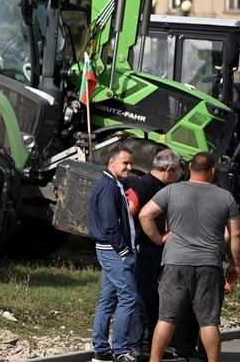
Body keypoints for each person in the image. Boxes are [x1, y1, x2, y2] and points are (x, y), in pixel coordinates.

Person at [139, 151, 240, 362]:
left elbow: (144, 214)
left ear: (190, 169)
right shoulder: (225, 197)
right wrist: (235, 264)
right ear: (213, 171)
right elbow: (236, 233)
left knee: (166, 318)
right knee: (209, 321)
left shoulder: (171, 191)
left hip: (175, 262)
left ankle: (154, 360)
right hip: (209, 264)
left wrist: (159, 239)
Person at [125, 149, 182, 357]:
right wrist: (157, 237)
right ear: (169, 169)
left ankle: (150, 345)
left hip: (156, 250)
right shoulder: (146, 184)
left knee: (156, 298)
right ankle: (136, 344)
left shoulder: (160, 186)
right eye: (177, 172)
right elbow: (131, 209)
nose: (177, 176)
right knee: (142, 297)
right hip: (145, 249)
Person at [89, 146, 141, 362]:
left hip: (110, 250)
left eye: (130, 163)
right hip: (113, 251)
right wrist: (124, 252)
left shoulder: (113, 184)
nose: (129, 167)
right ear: (112, 163)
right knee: (128, 297)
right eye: (125, 163)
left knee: (108, 299)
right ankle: (120, 350)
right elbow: (110, 226)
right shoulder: (108, 187)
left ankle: (101, 349)